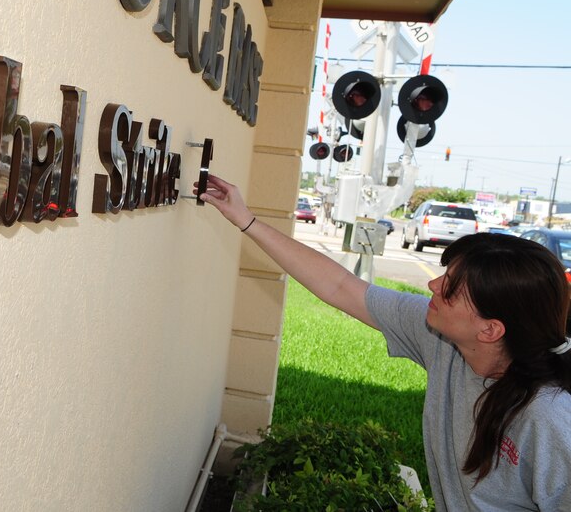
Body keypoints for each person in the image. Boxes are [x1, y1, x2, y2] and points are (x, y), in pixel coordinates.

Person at [197, 174, 571, 511]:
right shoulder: (443, 340)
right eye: (444, 275)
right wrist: (246, 220)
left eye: (452, 290)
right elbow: (341, 287)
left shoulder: (548, 420)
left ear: (490, 330)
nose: (432, 286)